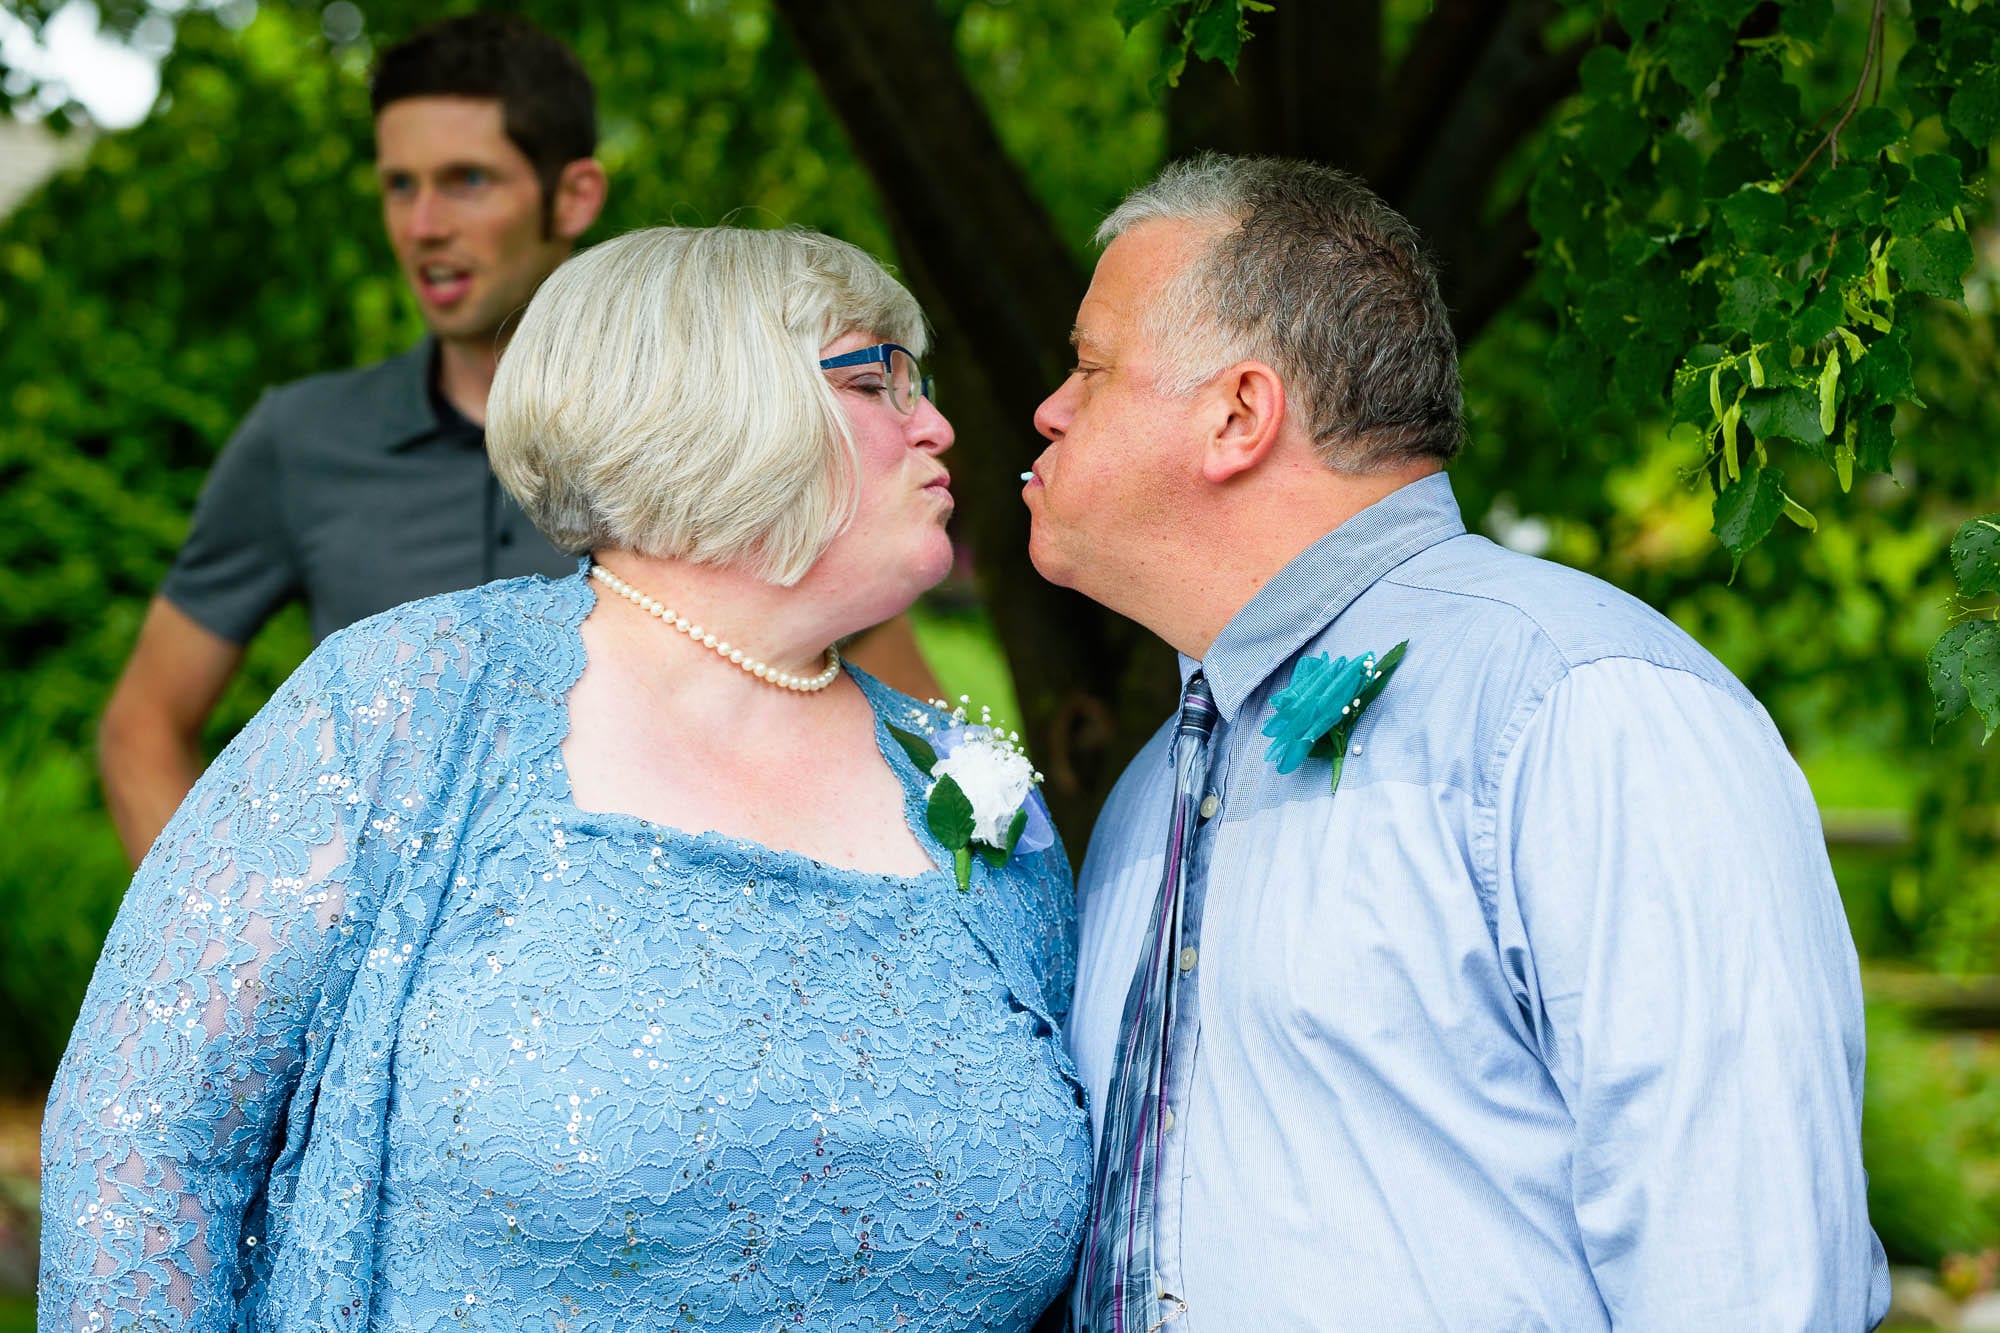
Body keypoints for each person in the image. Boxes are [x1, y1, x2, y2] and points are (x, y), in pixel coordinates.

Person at [43, 225, 1090, 1330]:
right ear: (718, 398)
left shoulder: (974, 794)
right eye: (880, 377)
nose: (937, 423)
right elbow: (145, 1137)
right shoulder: (412, 699)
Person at [1026, 154, 1889, 1330]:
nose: (1049, 408)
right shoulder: (1148, 790)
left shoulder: (1585, 705)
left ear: (1237, 413)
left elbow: (1743, 1271)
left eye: (1089, 365)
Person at [94, 14, 945, 867]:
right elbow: (143, 727)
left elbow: (899, 728)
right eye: (399, 185)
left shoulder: (710, 429)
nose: (422, 224)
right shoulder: (300, 437)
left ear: (574, 195)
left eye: (467, 180)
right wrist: (238, 943)